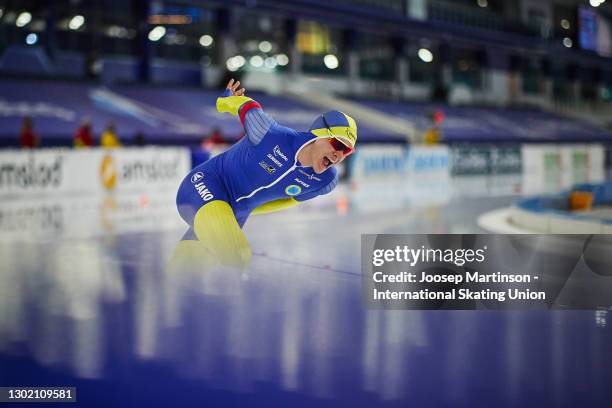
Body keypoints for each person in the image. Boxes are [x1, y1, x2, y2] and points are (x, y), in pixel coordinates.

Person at [174, 79, 357, 269]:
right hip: (201, 187)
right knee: (237, 254)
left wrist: (247, 208)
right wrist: (226, 100)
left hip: (233, 215)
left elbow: (287, 200)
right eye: (338, 144)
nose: (339, 154)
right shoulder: (269, 134)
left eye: (347, 151)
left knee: (186, 273)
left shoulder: (325, 181)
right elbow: (244, 105)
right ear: (318, 135)